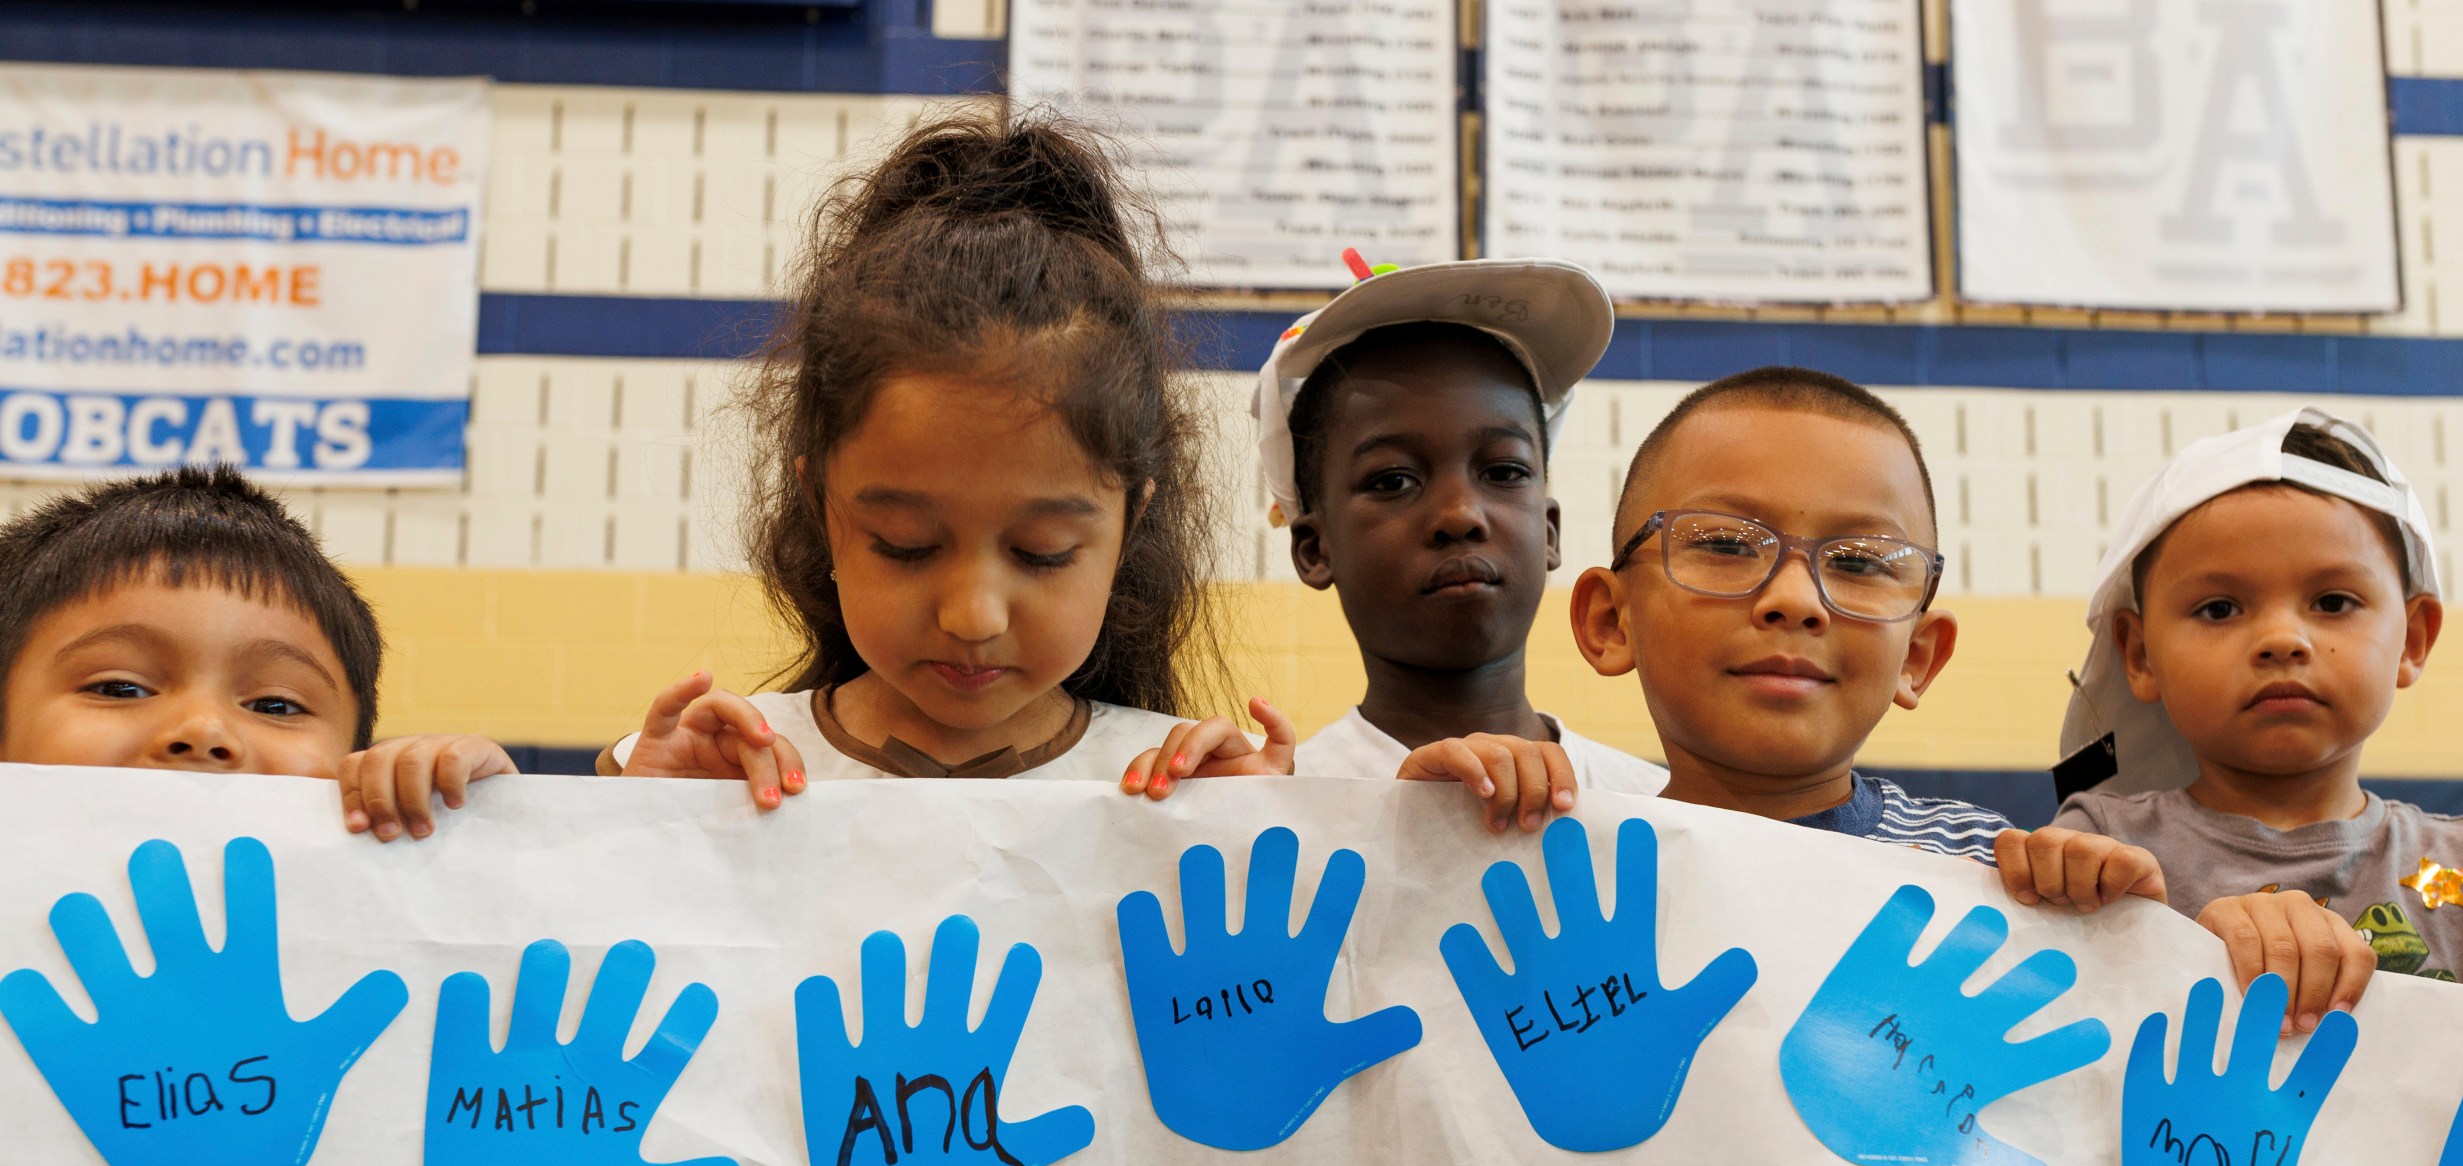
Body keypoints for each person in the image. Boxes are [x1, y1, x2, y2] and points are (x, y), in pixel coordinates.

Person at [605, 108, 1284, 794]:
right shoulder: (712, 768)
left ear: (1128, 527)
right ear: (820, 506)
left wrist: (1255, 832)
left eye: (1042, 552)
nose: (973, 616)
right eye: (905, 544)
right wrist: (649, 824)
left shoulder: (1198, 784)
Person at [1416, 366, 2163, 913]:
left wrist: (2117, 922)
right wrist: (1426, 840)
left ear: (1918, 656)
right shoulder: (1550, 855)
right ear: (1612, 623)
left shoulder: (1991, 874)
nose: (1796, 601)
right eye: (1727, 545)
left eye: (1861, 561)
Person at [2051, 408, 2463, 1041]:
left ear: (2413, 638)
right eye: (2219, 608)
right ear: (2140, 654)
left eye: (2332, 602)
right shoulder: (2103, 848)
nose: (2282, 639)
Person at [1229, 253, 1663, 820]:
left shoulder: (1658, 809)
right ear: (1314, 550)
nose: (1460, 514)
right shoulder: (1271, 813)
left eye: (1504, 472)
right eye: (1394, 480)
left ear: (1550, 532)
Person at [0, 465, 512, 839]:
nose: (203, 732)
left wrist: (498, 830)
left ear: (352, 758)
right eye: (119, 688)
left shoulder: (405, 898)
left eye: (275, 705)